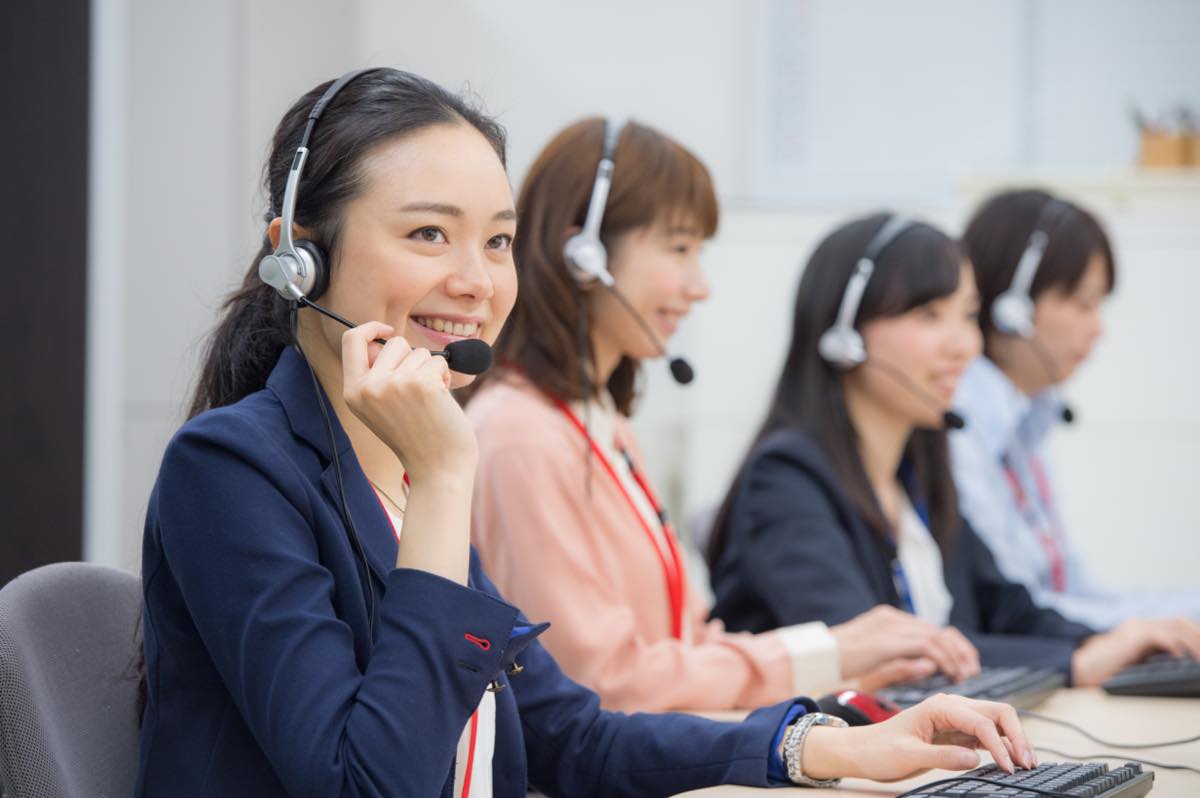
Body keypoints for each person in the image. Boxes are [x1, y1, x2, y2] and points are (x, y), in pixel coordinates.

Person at [136, 70, 1036, 797]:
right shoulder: (233, 471)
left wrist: (826, 745)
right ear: (299, 253)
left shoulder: (398, 467)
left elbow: (567, 732)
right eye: (427, 235)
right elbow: (371, 783)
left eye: (496, 242)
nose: (476, 281)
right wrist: (448, 481)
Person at [465, 118, 984, 716]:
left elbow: (680, 645)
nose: (700, 286)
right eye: (679, 249)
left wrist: (833, 652)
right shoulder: (521, 435)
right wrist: (830, 649)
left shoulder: (596, 423)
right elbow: (602, 680)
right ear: (585, 253)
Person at [706, 213, 1200, 688]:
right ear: (844, 335)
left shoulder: (917, 476)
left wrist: (1116, 642)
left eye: (967, 315)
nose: (964, 344)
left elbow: (1009, 609)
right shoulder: (787, 478)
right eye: (929, 315)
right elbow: (885, 661)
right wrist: (1074, 663)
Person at [953, 188, 1200, 630]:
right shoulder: (961, 423)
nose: (1098, 329)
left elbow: (1071, 590)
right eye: (1084, 303)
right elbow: (1020, 610)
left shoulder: (1027, 420)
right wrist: (1144, 630)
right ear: (1014, 309)